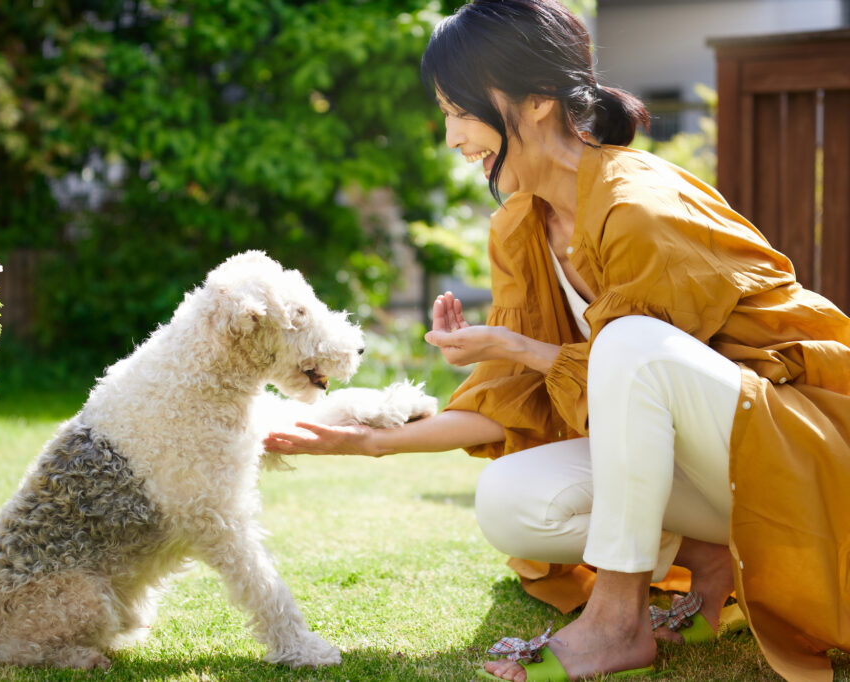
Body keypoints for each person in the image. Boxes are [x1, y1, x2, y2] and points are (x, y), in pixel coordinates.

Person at [263, 1, 850, 680]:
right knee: (508, 499)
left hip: (803, 453)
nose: (452, 137)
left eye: (459, 111)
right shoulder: (520, 227)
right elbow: (515, 398)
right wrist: (372, 440)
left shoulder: (639, 209)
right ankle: (712, 559)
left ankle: (617, 622)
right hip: (717, 468)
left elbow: (639, 369)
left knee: (630, 343)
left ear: (539, 101)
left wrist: (518, 348)